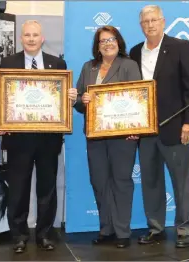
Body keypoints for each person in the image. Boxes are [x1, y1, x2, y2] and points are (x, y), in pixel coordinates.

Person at [0, 20, 77, 253]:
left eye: (35, 35)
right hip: (18, 138)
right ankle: (18, 236)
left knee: (47, 188)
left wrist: (70, 96)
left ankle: (45, 234)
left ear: (42, 38)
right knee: (18, 189)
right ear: (21, 38)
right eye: (27, 35)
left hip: (48, 139)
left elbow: (62, 103)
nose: (31, 39)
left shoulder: (57, 64)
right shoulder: (9, 63)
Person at [129, 5, 189, 248]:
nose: (150, 25)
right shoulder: (134, 51)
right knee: (150, 182)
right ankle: (156, 228)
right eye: (145, 22)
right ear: (141, 25)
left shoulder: (181, 47)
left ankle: (184, 230)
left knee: (181, 183)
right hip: (145, 128)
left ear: (163, 22)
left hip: (176, 127)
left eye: (154, 20)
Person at [74, 25, 142, 248]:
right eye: (103, 41)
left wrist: (136, 128)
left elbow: (138, 98)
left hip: (123, 135)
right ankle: (106, 229)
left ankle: (122, 232)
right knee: (100, 182)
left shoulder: (129, 65)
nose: (108, 44)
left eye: (111, 39)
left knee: (121, 182)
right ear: (97, 46)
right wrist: (81, 101)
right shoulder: (88, 67)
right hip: (95, 135)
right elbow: (78, 103)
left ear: (119, 42)